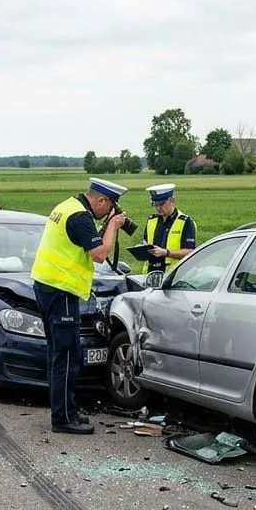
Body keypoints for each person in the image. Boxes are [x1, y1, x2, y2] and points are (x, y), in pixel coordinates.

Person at [31, 177, 132, 434]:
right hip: (60, 290)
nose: (105, 214)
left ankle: (66, 409)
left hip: (49, 287)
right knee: (66, 356)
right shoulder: (79, 217)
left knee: (61, 353)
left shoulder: (67, 207)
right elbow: (99, 254)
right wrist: (112, 227)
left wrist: (107, 225)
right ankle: (63, 418)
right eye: (108, 207)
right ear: (101, 200)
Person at [140, 183, 196, 274]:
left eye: (162, 204)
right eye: (155, 204)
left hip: (174, 276)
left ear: (172, 200)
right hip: (150, 274)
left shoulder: (185, 222)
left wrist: (166, 253)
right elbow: (145, 243)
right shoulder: (151, 220)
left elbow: (190, 252)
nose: (158, 208)